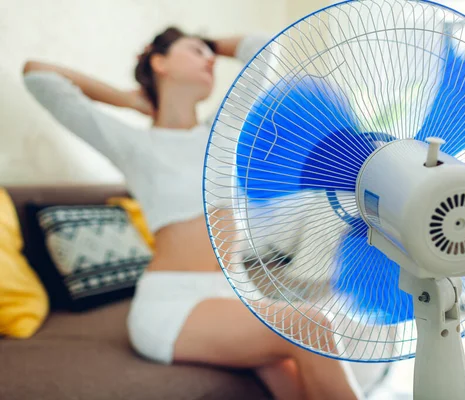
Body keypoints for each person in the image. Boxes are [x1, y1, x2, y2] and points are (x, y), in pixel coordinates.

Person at [22, 26, 364, 400]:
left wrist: (210, 43)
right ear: (160, 61)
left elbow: (265, 48)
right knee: (314, 325)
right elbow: (37, 73)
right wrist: (128, 100)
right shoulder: (134, 143)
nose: (210, 60)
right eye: (195, 51)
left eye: (211, 54)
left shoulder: (221, 130)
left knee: (291, 379)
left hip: (235, 292)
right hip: (174, 303)